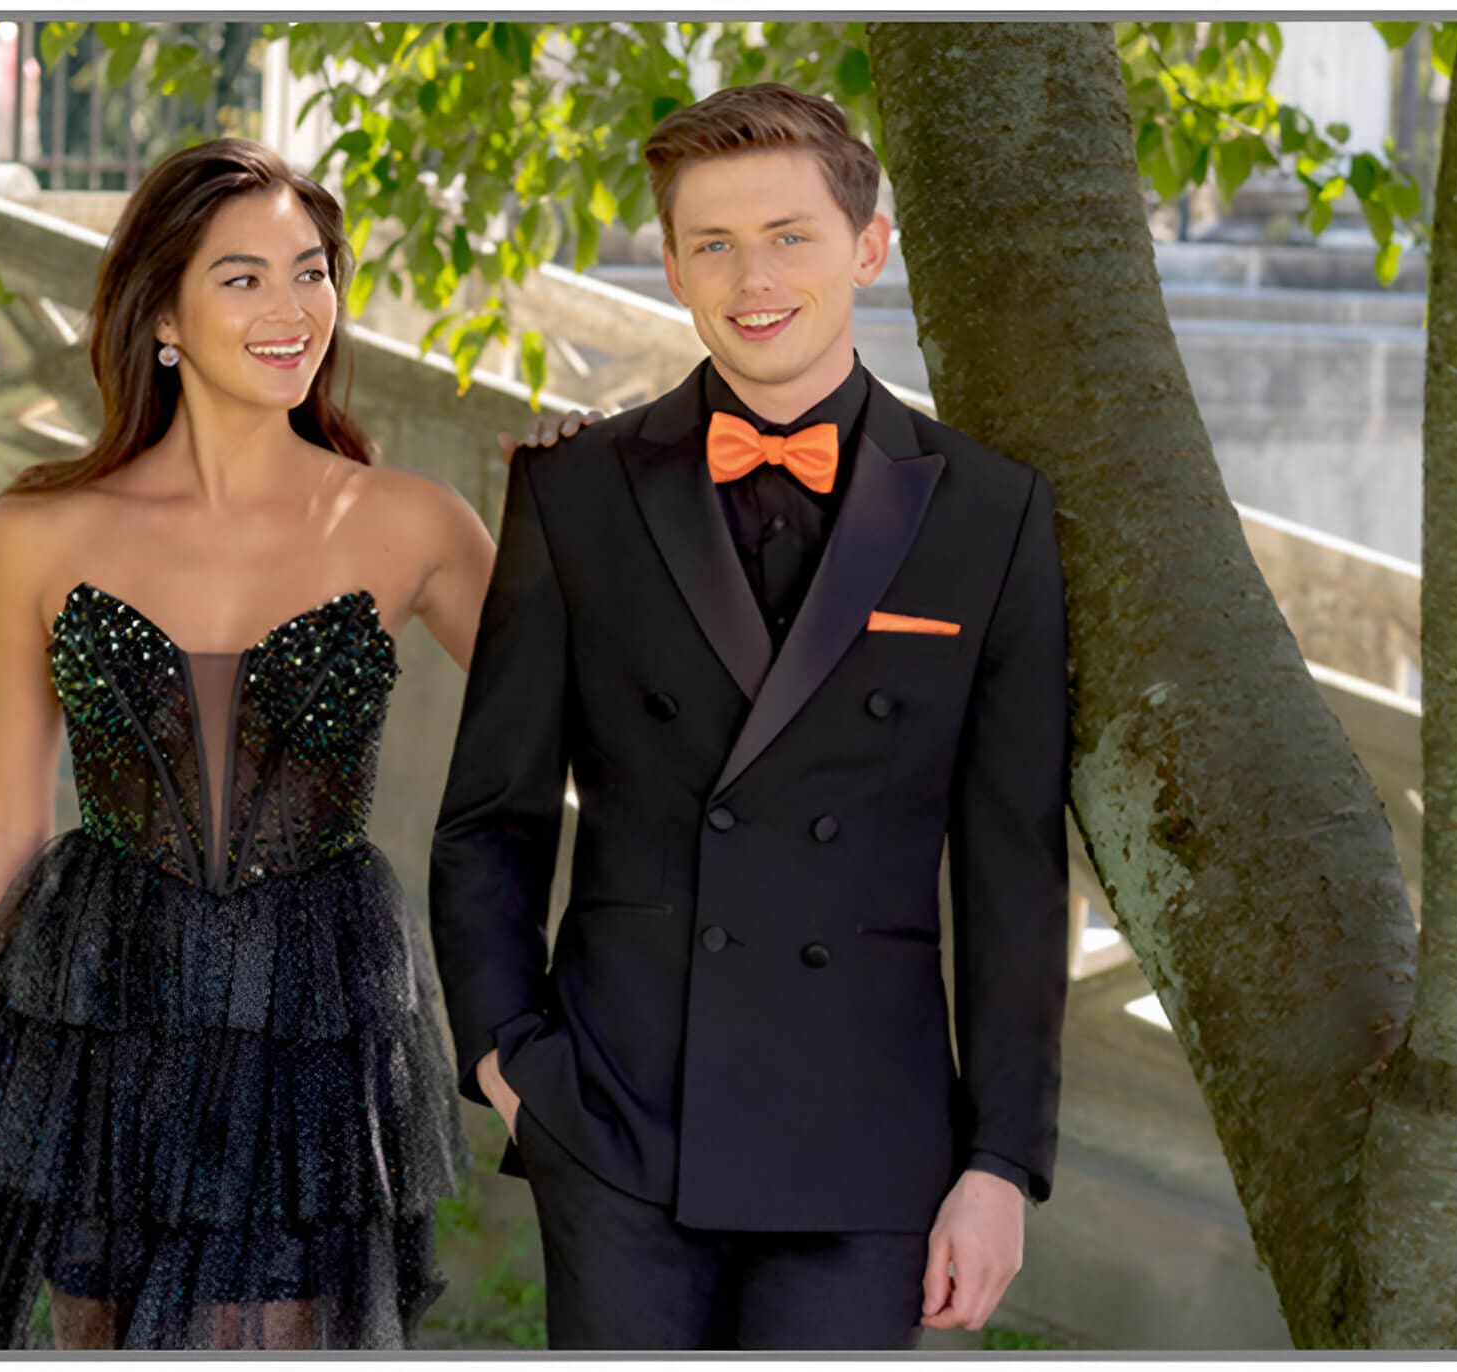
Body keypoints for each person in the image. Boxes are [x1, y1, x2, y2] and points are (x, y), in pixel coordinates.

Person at [0, 137, 586, 1350]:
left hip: (306, 1028)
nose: (292, 308)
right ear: (161, 308)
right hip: (105, 1033)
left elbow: (593, 728)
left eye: (310, 270)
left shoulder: (411, 520)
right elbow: (8, 812)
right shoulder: (42, 529)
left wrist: (588, 528)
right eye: (243, 276)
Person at [429, 83, 1072, 1351]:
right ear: (670, 265)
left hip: (872, 1140)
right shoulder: (571, 490)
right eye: (712, 243)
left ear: (867, 246)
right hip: (615, 1117)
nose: (751, 277)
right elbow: (490, 816)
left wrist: (999, 1163)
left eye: (789, 235)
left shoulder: (992, 514)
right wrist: (510, 1066)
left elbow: (1010, 864)